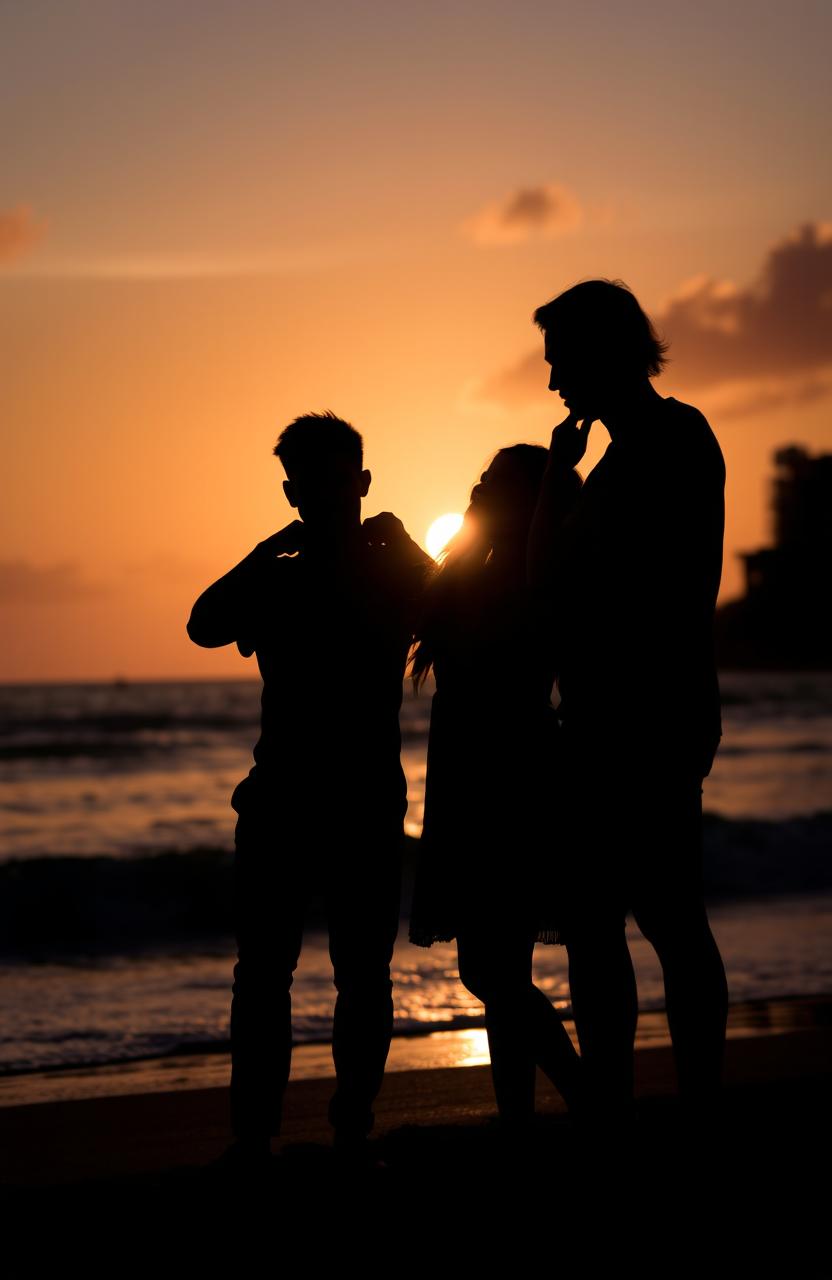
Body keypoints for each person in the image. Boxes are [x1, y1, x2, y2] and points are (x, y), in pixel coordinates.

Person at [187, 411, 430, 1168]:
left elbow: (453, 619)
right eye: (306, 485)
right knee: (286, 974)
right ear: (295, 492)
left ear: (355, 483)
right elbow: (202, 624)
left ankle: (321, 1126)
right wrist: (265, 554)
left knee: (311, 974)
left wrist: (408, 548)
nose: (317, 498)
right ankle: (285, 1130)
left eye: (326, 482)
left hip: (334, 799)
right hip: (301, 798)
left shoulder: (385, 574)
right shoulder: (290, 577)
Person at [528, 279, 729, 1124]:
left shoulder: (673, 437)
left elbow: (675, 586)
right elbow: (546, 586)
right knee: (598, 921)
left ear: (603, 351)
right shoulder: (608, 461)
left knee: (666, 918)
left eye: (560, 361)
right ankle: (614, 1107)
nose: (552, 382)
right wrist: (556, 485)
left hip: (649, 713)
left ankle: (695, 1104)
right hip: (605, 715)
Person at [409, 445, 584, 1133]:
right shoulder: (485, 567)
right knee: (500, 965)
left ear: (526, 500)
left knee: (489, 969)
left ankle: (588, 1097)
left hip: (505, 774)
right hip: (477, 771)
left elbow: (481, 645)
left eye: (493, 480)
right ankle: (521, 1118)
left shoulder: (525, 573)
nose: (476, 485)